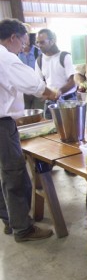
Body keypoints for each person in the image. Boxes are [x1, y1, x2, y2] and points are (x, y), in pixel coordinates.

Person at [0, 18, 57, 241]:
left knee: (5, 173)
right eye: (23, 41)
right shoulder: (6, 57)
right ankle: (23, 228)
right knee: (15, 174)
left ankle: (9, 219)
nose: (25, 45)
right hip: (2, 125)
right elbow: (33, 85)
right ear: (13, 37)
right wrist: (51, 93)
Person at [35, 28, 77, 119]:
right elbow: (39, 82)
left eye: (42, 42)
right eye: (37, 42)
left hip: (68, 100)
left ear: (52, 41)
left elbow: (73, 80)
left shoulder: (65, 56)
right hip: (50, 102)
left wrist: (59, 92)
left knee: (71, 131)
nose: (39, 45)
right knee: (51, 130)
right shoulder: (39, 60)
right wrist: (45, 94)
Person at [18, 31, 44, 109]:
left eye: (26, 38)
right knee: (25, 113)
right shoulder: (17, 53)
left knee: (39, 111)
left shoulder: (38, 52)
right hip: (23, 89)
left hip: (37, 87)